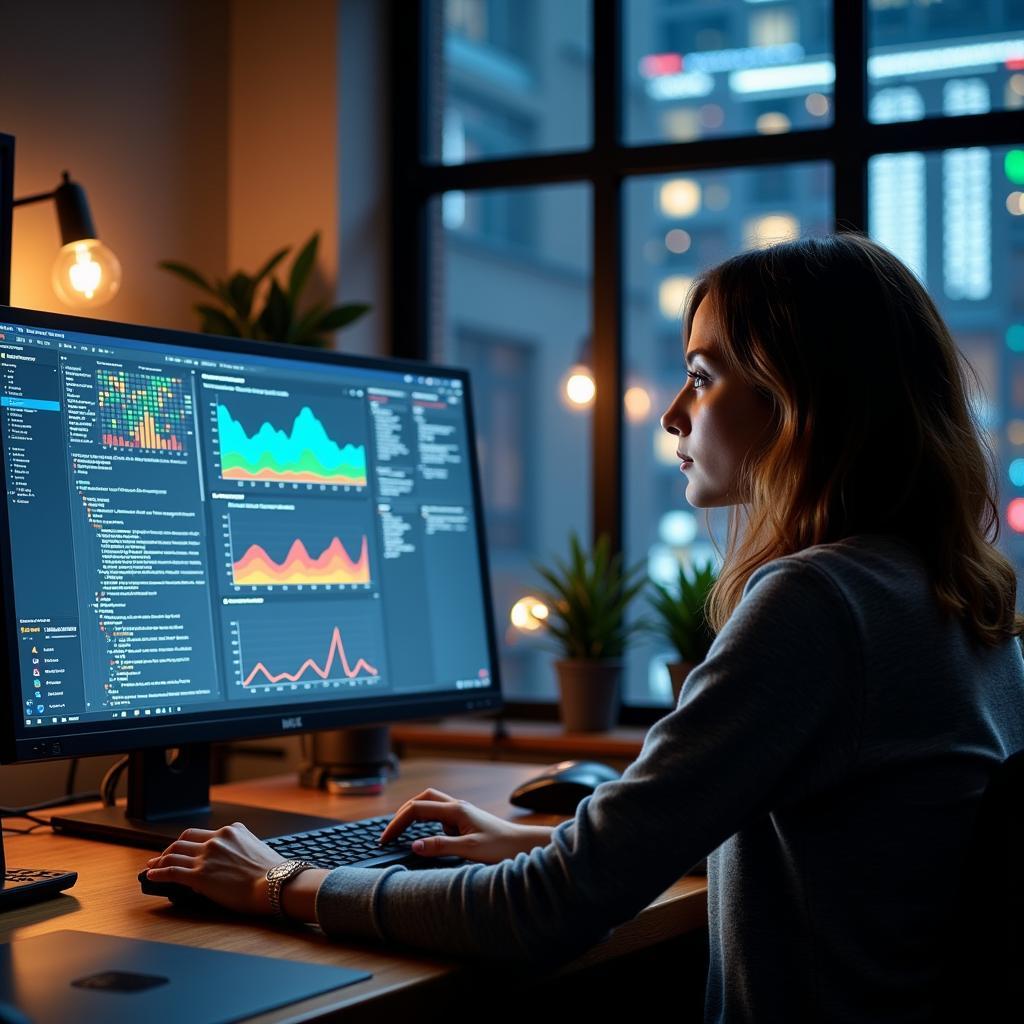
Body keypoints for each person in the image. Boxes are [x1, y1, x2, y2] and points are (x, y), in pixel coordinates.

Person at [143, 233, 1024, 1022]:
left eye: (705, 376)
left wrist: (278, 881)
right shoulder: (948, 595)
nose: (676, 412)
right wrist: (538, 840)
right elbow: (830, 857)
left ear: (798, 403)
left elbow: (546, 913)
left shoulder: (817, 605)